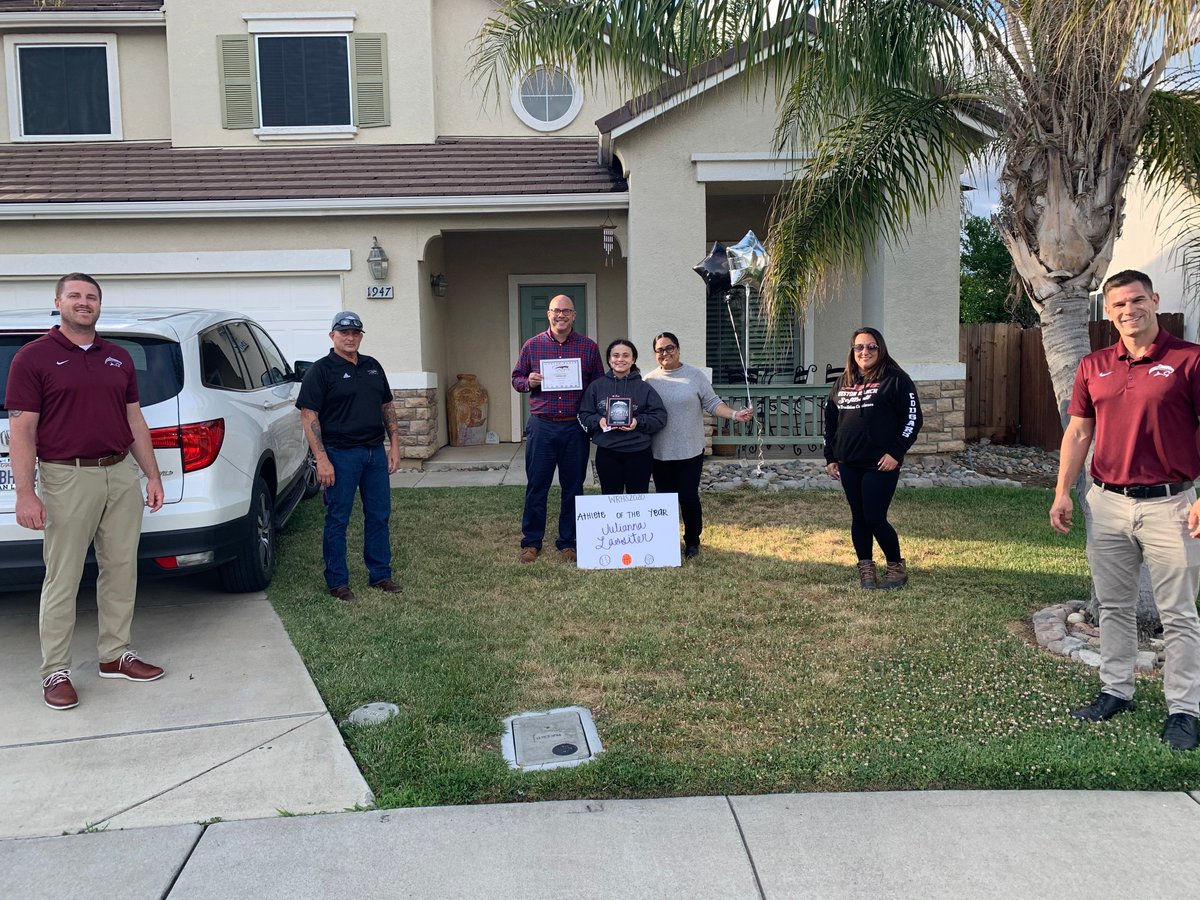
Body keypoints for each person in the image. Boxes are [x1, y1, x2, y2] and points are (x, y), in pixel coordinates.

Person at [1050, 269, 1200, 752]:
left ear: (1154, 300)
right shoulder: (1094, 365)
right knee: (1114, 606)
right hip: (1108, 503)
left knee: (1179, 615)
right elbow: (1078, 433)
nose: (1128, 311)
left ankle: (1185, 710)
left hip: (1172, 504)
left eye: (1136, 300)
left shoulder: (1189, 360)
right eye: (1118, 304)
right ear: (1107, 310)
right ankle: (1117, 691)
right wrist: (1062, 491)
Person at [5, 273, 166, 711]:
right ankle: (55, 670)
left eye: (91, 297)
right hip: (66, 477)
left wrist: (151, 474)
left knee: (120, 569)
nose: (84, 302)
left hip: (119, 473)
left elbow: (134, 419)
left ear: (99, 305)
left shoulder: (118, 357)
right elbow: (22, 429)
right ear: (57, 302)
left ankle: (115, 655)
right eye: (74, 295)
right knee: (64, 576)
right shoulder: (33, 358)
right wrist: (25, 493)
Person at [297, 311, 402, 603]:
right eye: (344, 332)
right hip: (340, 455)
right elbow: (309, 416)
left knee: (379, 516)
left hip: (374, 454)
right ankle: (338, 582)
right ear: (333, 336)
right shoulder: (321, 371)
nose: (350, 337)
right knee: (338, 519)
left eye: (355, 333)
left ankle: (380, 574)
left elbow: (387, 407)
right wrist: (322, 458)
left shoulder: (372, 367)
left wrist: (394, 445)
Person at [824, 327, 923, 590]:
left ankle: (895, 566)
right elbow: (831, 422)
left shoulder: (897, 380)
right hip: (848, 463)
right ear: (852, 351)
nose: (864, 352)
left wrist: (896, 453)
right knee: (859, 517)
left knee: (875, 517)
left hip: (881, 463)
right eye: (859, 347)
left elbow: (912, 420)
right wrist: (830, 457)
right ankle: (866, 568)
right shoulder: (843, 381)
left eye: (871, 347)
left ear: (880, 349)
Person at [644, 332, 754, 560]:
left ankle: (692, 541)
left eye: (669, 347)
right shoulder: (649, 380)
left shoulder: (695, 376)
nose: (665, 353)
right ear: (655, 354)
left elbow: (713, 403)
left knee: (688, 497)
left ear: (678, 348)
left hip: (689, 450)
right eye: (660, 350)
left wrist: (734, 414)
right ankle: (666, 541)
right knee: (664, 500)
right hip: (659, 452)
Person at [511, 295, 604, 563]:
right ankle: (531, 542)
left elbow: (597, 384)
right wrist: (528, 381)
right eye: (556, 311)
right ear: (548, 314)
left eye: (566, 311)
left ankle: (568, 541)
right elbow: (516, 379)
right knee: (537, 484)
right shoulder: (532, 345)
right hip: (542, 426)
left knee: (573, 486)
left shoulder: (588, 348)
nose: (560, 315)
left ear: (574, 315)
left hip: (574, 427)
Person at [578, 339, 667, 494]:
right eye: (616, 355)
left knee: (638, 498)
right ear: (609, 359)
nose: (620, 359)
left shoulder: (644, 388)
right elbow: (584, 414)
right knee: (610, 498)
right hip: (607, 452)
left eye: (626, 356)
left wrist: (637, 421)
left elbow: (660, 417)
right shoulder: (596, 387)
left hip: (638, 452)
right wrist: (599, 421)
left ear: (633, 360)